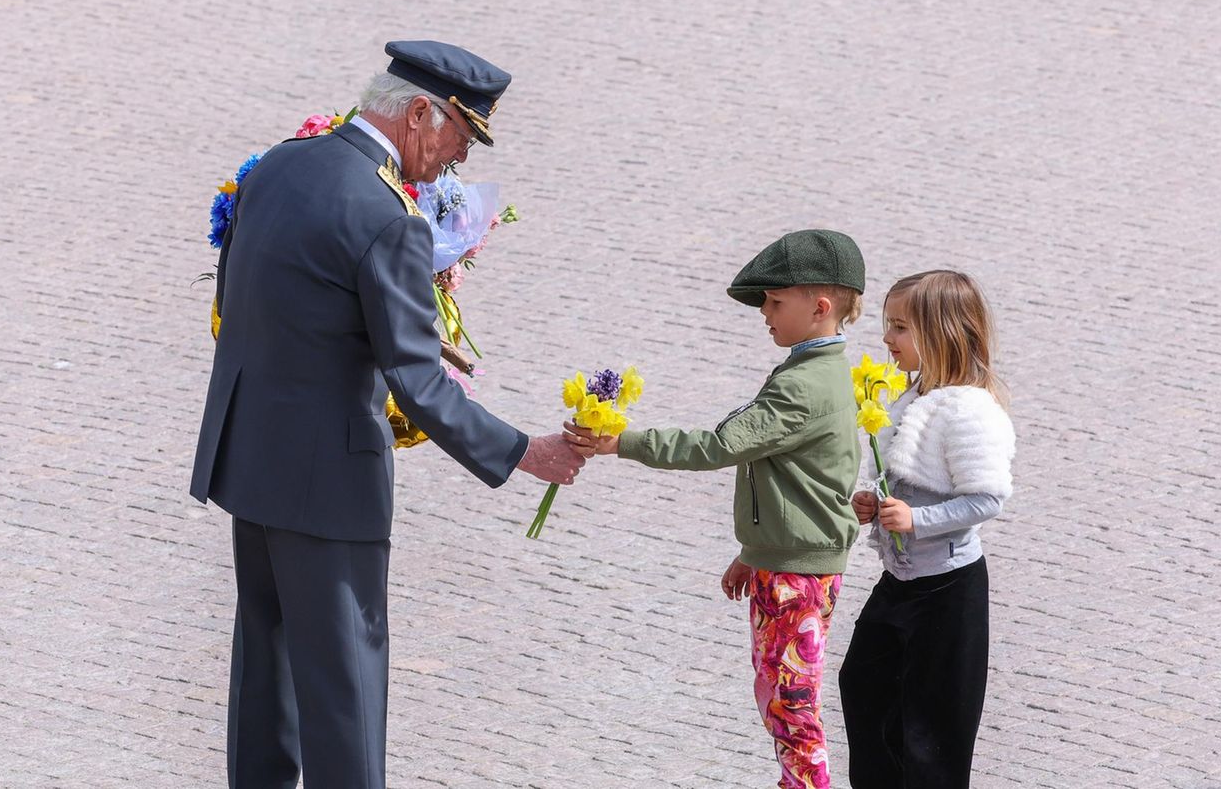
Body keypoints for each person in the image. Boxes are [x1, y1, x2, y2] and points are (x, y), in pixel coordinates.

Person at [189, 41, 588, 789]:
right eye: (457, 144)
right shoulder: (387, 216)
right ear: (417, 115)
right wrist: (523, 452)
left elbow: (243, 303)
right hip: (330, 485)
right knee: (346, 687)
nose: (450, 166)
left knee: (264, 677)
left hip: (250, 462)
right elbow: (416, 384)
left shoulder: (277, 165)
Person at [567, 229, 866, 789]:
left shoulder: (801, 386)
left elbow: (720, 445)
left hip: (794, 577)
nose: (765, 314)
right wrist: (755, 551)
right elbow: (801, 480)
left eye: (776, 303)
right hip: (792, 562)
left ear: (820, 307)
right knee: (783, 698)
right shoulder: (826, 372)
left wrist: (621, 442)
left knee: (791, 709)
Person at [837, 270, 1016, 788]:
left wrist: (917, 519)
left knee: (933, 730)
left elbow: (987, 497)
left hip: (947, 591)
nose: (886, 340)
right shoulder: (910, 395)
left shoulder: (969, 410)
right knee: (865, 687)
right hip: (901, 583)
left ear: (941, 333)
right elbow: (895, 468)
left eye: (898, 328)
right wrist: (871, 499)